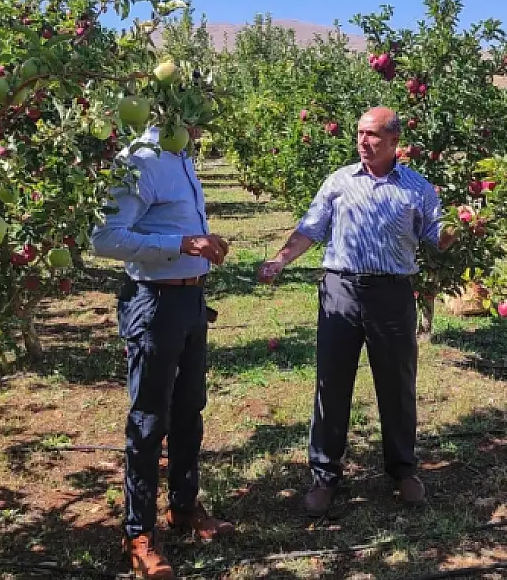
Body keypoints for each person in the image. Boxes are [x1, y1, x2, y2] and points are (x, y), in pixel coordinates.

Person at [257, 106, 461, 515]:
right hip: (341, 291)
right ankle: (324, 476)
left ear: (393, 141)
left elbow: (438, 237)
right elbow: (310, 228)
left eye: (372, 135)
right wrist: (281, 259)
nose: (364, 142)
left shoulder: (417, 188)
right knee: (332, 384)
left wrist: (463, 224)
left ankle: (403, 470)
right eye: (360, 134)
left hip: (392, 294)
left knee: (397, 385)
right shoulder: (338, 181)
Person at [90, 126, 235, 579]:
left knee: (190, 410)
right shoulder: (142, 158)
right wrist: (183, 244)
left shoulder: (182, 155)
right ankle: (138, 534)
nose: (202, 118)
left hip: (191, 302)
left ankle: (184, 507)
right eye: (195, 105)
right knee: (150, 420)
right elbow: (105, 237)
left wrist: (199, 243)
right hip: (154, 304)